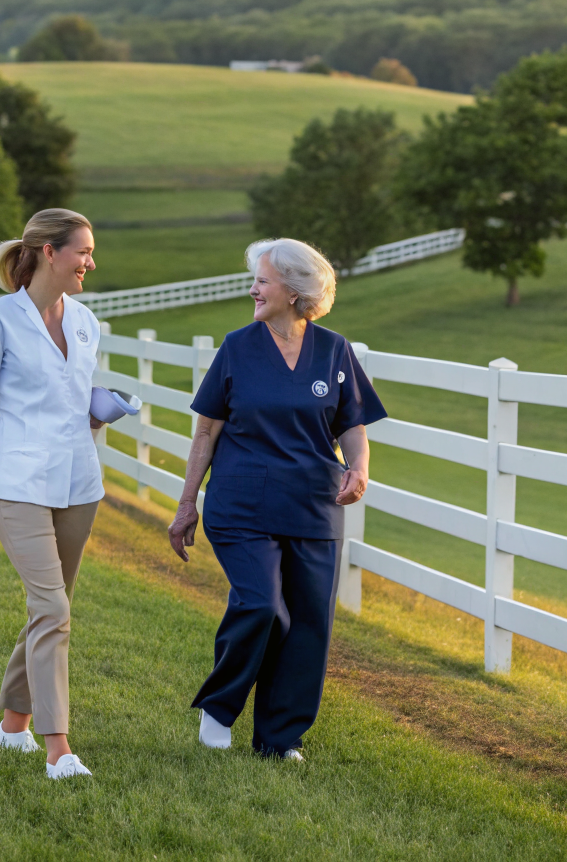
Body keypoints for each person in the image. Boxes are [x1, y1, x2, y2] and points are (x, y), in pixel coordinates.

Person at [169, 238, 386, 760]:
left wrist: (359, 468)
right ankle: (221, 707)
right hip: (241, 504)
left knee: (310, 622)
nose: (253, 289)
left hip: (313, 505)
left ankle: (279, 737)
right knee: (263, 606)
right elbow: (205, 434)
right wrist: (186, 504)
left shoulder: (334, 350)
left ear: (294, 290)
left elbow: (352, 424)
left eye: (262, 281)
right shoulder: (237, 347)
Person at [0, 208, 105, 780]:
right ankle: (58, 750)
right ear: (49, 252)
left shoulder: (86, 321)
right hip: (17, 483)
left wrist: (100, 409)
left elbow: (72, 396)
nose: (90, 261)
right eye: (82, 250)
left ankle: (12, 727)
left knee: (48, 610)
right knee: (53, 609)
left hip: (79, 483)